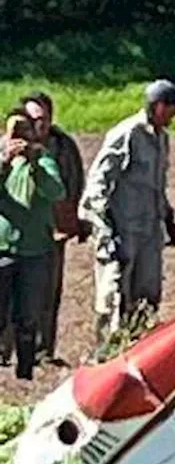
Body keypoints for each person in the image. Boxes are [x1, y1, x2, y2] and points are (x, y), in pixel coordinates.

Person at [79, 79, 175, 359]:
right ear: (159, 106)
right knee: (115, 297)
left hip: (149, 231)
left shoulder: (162, 138)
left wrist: (168, 218)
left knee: (147, 297)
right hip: (122, 230)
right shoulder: (126, 134)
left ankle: (140, 356)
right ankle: (106, 358)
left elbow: (156, 185)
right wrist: (105, 229)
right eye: (173, 108)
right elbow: (97, 184)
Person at [20, 91, 87, 364]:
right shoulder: (9, 146)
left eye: (44, 119)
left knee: (49, 292)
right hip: (16, 233)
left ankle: (44, 349)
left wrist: (72, 219)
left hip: (51, 231)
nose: (40, 125)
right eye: (34, 119)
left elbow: (74, 182)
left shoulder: (63, 147)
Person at [0, 108, 66, 379]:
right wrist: (5, 162)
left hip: (34, 248)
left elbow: (56, 191)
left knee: (28, 314)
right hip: (3, 247)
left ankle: (26, 368)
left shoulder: (44, 160)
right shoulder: (2, 160)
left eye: (25, 131)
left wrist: (34, 164)